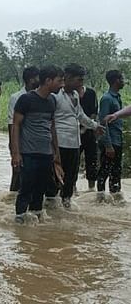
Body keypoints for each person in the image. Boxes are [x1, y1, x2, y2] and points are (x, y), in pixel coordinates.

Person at [11, 65, 64, 223]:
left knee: (40, 189)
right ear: (48, 81)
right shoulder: (26, 99)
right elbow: (16, 126)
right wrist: (16, 153)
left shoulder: (52, 101)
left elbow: (52, 127)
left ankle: (37, 220)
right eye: (59, 81)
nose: (62, 85)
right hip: (28, 153)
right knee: (25, 189)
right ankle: (19, 220)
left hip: (46, 154)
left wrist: (56, 155)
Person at [47, 64, 102, 208]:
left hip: (74, 143)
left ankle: (66, 205)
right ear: (69, 78)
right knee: (56, 178)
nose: (81, 83)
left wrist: (95, 125)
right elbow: (49, 121)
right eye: (79, 80)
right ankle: (51, 206)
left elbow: (80, 115)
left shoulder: (75, 95)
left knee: (71, 178)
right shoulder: (55, 96)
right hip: (59, 143)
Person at [7, 66, 39, 192]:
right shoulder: (16, 97)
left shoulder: (40, 96)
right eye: (38, 77)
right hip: (20, 141)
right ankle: (12, 199)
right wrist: (14, 149)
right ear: (31, 80)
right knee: (17, 173)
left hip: (35, 142)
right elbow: (12, 123)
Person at [97, 70, 125, 202]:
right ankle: (100, 197)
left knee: (116, 170)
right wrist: (108, 145)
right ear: (116, 81)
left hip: (118, 139)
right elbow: (103, 123)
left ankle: (115, 196)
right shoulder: (107, 99)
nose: (124, 81)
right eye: (122, 78)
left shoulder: (117, 97)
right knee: (104, 170)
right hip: (110, 141)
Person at [78, 83, 99, 191]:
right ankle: (72, 187)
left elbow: (94, 113)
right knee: (73, 160)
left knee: (92, 159)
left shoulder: (91, 93)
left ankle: (91, 188)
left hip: (89, 131)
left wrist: (85, 128)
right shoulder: (70, 94)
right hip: (73, 133)